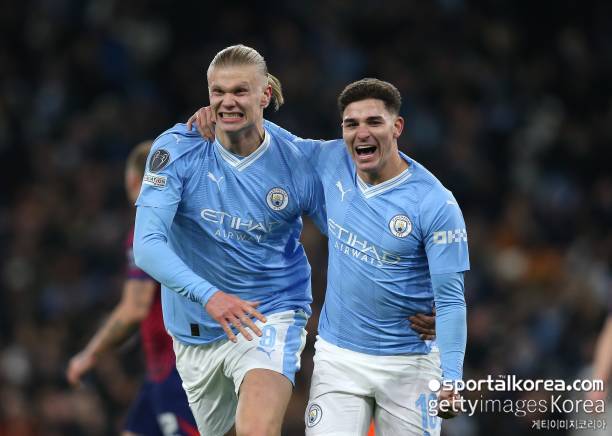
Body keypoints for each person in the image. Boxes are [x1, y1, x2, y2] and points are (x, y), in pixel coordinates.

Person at [189, 78, 469, 435]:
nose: (362, 133)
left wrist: (451, 378)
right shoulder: (330, 159)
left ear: (396, 127)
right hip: (339, 359)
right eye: (352, 124)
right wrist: (223, 115)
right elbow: (275, 138)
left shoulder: (434, 203)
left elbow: (451, 300)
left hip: (410, 363)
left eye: (374, 122)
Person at [132, 45, 327, 436]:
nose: (227, 101)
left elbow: (347, 237)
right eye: (218, 92)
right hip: (194, 332)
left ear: (264, 95)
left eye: (240, 91)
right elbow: (147, 245)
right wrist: (210, 296)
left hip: (269, 314)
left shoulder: (297, 161)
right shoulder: (177, 149)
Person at [66, 141, 199, 436]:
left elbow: (134, 308)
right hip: (164, 367)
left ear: (133, 180)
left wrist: (90, 353)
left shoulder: (150, 228)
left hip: (181, 366)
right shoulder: (187, 222)